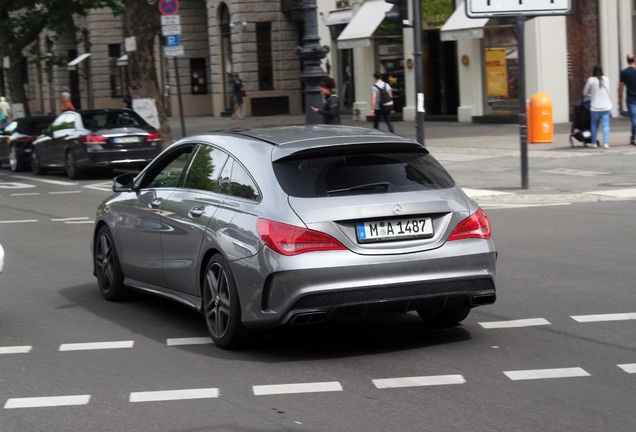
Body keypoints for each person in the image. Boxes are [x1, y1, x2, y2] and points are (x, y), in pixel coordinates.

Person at [583, 65, 612, 148]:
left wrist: (589, 95)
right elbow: (609, 92)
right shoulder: (606, 79)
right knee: (605, 125)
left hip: (595, 107)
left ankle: (594, 143)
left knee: (594, 125)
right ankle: (606, 143)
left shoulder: (591, 80)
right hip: (606, 106)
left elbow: (584, 92)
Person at [618, 53, 636, 146]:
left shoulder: (624, 72)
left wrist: (619, 99)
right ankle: (633, 138)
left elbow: (621, 87)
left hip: (631, 99)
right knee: (635, 121)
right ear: (634, 60)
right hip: (632, 99)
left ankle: (633, 138)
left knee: (634, 120)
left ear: (627, 61)